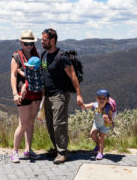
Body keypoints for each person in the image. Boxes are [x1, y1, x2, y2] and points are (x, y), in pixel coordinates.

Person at [41, 28, 84, 164]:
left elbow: (72, 75)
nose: (41, 42)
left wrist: (79, 94)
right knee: (50, 124)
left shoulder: (62, 56)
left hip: (60, 95)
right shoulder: (44, 54)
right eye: (42, 39)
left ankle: (62, 152)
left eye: (44, 40)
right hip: (47, 95)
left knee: (59, 124)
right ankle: (56, 148)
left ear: (52, 40)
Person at [10, 30, 42, 163]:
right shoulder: (17, 56)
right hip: (22, 93)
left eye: (31, 43)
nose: (28, 46)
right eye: (26, 43)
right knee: (23, 123)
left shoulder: (36, 54)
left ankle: (28, 150)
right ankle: (14, 152)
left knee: (30, 122)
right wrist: (15, 94)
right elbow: (13, 75)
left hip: (36, 92)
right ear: (21, 43)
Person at [81, 89, 116, 160]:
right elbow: (86, 106)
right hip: (96, 123)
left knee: (101, 138)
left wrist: (107, 119)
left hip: (105, 125)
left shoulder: (108, 109)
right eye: (100, 98)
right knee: (92, 134)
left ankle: (100, 152)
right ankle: (98, 145)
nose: (102, 100)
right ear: (97, 98)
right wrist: (82, 105)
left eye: (104, 98)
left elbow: (110, 121)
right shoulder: (95, 105)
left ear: (107, 100)